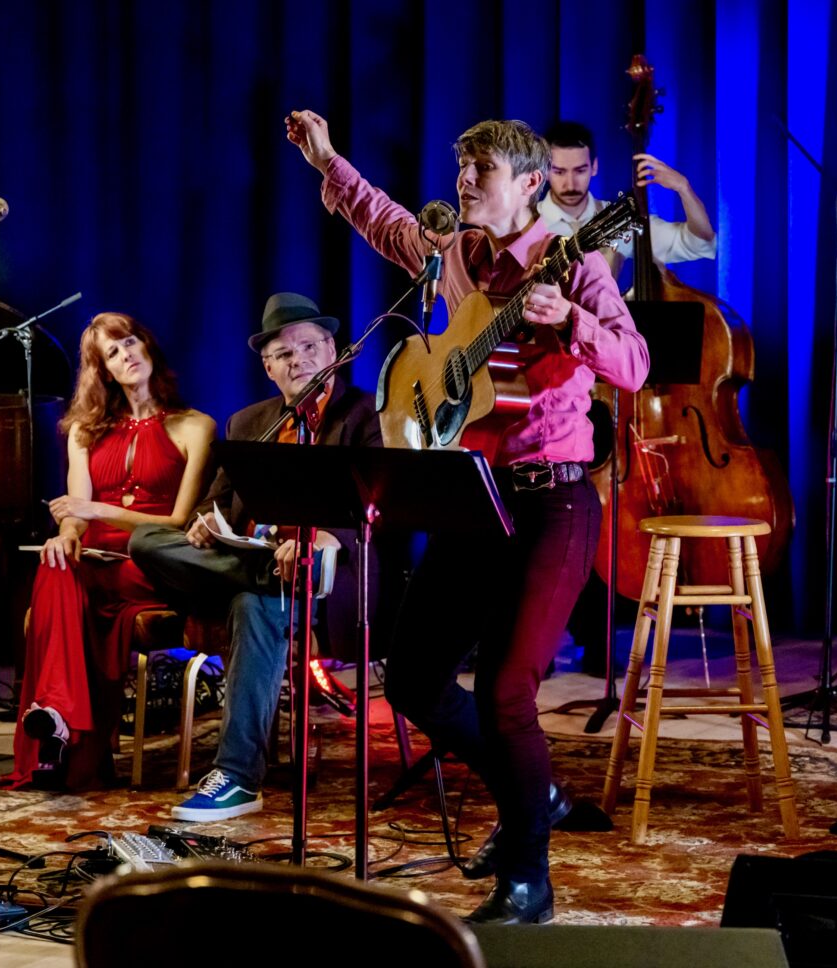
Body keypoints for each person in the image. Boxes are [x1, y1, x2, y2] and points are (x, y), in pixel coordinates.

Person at [286, 109, 648, 924]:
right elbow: (385, 222)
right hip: (471, 491)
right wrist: (329, 159)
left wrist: (575, 323)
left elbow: (633, 364)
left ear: (528, 186)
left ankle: (529, 879)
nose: (462, 186)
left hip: (553, 498)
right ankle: (536, 797)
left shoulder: (576, 261)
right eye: (460, 173)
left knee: (505, 690)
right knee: (411, 676)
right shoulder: (453, 254)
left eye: (478, 175)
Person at [129, 292, 382, 822]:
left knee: (253, 604)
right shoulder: (249, 421)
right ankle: (271, 574)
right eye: (284, 355)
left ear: (332, 349)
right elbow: (215, 503)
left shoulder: (364, 414)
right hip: (258, 561)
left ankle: (238, 780)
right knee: (147, 542)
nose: (299, 361)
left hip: (332, 577)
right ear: (268, 368)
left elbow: (378, 505)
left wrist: (322, 540)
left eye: (309, 347)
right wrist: (205, 525)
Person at [0, 312, 215, 791]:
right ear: (104, 371)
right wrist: (67, 534)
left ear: (149, 347)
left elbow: (178, 522)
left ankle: (57, 722)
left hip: (153, 559)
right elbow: (74, 515)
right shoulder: (84, 431)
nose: (127, 355)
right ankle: (56, 719)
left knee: (68, 580)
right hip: (93, 563)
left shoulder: (195, 426)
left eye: (131, 342)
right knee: (55, 564)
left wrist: (92, 510)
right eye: (112, 353)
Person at [538, 120, 716, 277]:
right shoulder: (526, 223)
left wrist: (683, 188)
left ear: (594, 167)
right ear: (544, 170)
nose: (570, 184)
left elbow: (699, 242)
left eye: (580, 171)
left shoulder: (621, 221)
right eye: (559, 172)